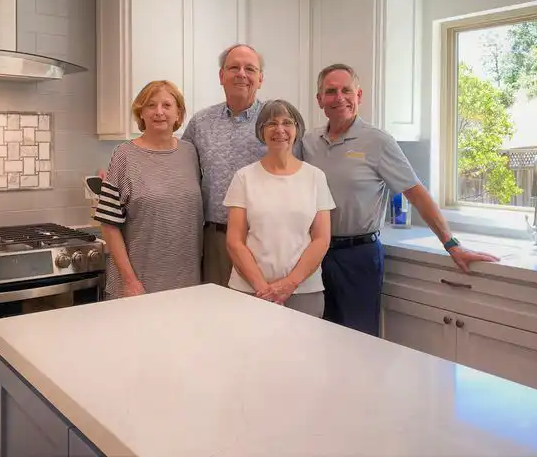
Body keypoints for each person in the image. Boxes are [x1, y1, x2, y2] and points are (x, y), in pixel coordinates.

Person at [302, 64, 498, 335]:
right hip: (312, 254)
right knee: (314, 335)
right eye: (331, 91)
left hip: (358, 255)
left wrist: (451, 243)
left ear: (359, 95)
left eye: (346, 90)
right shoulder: (308, 142)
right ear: (320, 100)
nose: (339, 98)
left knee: (357, 340)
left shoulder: (378, 142)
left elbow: (416, 193)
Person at [224, 99, 335, 317]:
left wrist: (289, 284)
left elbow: (321, 238)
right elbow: (234, 241)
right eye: (271, 123)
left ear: (297, 129)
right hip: (250, 290)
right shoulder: (244, 177)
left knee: (303, 351)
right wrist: (263, 289)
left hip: (304, 290)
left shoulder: (315, 177)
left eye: (287, 123)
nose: (280, 130)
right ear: (261, 131)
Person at [94, 80, 202, 299]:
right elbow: (108, 224)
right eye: (151, 105)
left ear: (179, 114)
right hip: (137, 286)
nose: (159, 112)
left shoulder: (190, 153)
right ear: (141, 113)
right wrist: (130, 281)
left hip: (187, 285)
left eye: (167, 105)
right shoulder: (124, 155)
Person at [182, 44, 268, 286]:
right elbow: (179, 169)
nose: (241, 74)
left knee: (262, 316)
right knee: (216, 315)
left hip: (262, 238)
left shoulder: (276, 122)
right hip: (215, 239)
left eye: (250, 69)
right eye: (233, 67)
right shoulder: (201, 122)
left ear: (260, 78)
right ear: (221, 76)